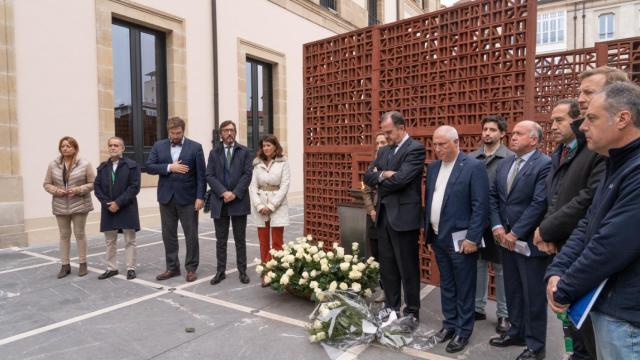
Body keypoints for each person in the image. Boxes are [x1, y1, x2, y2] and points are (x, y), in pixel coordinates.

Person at [539, 66, 628, 360]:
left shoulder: (614, 155)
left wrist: (564, 285)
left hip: (618, 304)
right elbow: (587, 218)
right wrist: (557, 269)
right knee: (580, 346)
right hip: (577, 270)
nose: (580, 102)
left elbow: (610, 238)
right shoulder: (597, 151)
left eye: (588, 93)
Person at [533, 99, 606, 360]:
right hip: (561, 242)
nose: (552, 126)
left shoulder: (596, 152)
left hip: (581, 244)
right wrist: (548, 232)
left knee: (587, 329)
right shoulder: (561, 152)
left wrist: (548, 229)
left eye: (559, 120)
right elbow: (554, 196)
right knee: (572, 324)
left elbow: (586, 199)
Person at [488, 121, 551, 360]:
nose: (512, 137)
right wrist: (497, 226)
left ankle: (536, 346)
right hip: (505, 240)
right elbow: (493, 196)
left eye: (518, 134)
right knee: (513, 289)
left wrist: (515, 233)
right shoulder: (505, 163)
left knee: (533, 294)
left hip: (528, 243)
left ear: (533, 140)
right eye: (512, 133)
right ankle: (517, 332)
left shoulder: (544, 165)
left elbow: (539, 203)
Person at [424, 125, 489, 353]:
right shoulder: (433, 168)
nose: (438, 148)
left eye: (443, 144)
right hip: (439, 237)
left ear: (456, 142)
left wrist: (472, 238)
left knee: (464, 286)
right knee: (447, 284)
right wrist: (430, 234)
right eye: (435, 144)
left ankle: (463, 330)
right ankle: (449, 324)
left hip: (462, 241)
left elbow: (480, 206)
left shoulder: (473, 166)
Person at [363, 111, 425, 322]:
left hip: (404, 219)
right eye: (384, 132)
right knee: (388, 267)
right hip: (383, 217)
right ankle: (391, 308)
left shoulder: (415, 149)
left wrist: (383, 177)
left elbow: (402, 180)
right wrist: (383, 174)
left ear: (401, 127)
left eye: (389, 132)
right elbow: (367, 177)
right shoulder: (384, 151)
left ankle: (412, 312)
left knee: (407, 268)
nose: (386, 136)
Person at [146, 117, 206, 283]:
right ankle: (172, 267)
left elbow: (202, 176)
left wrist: (200, 197)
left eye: (178, 133)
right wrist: (169, 167)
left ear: (183, 130)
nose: (175, 136)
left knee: (191, 235)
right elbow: (149, 166)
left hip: (188, 199)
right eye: (172, 133)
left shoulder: (195, 147)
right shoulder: (158, 146)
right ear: (168, 131)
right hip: (166, 198)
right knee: (168, 235)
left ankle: (191, 269)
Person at [469, 115, 514, 334]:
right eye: (485, 129)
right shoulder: (471, 158)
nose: (487, 133)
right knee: (477, 265)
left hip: (500, 222)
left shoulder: (511, 158)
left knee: (501, 269)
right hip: (475, 220)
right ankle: (477, 308)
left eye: (492, 130)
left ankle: (504, 314)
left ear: (502, 134)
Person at [207, 120, 253, 285]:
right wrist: (223, 192)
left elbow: (247, 174)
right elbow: (210, 175)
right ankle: (221, 271)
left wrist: (234, 193)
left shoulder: (244, 152)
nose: (229, 133)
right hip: (220, 201)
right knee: (221, 239)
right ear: (221, 134)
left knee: (240, 239)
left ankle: (243, 271)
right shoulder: (214, 153)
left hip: (238, 200)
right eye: (226, 130)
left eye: (232, 130)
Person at [43, 136, 95, 278]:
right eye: (62, 146)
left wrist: (78, 190)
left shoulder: (84, 164)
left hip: (79, 204)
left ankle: (83, 263)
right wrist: (56, 191)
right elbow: (47, 183)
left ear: (75, 148)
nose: (65, 148)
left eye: (68, 146)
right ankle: (65, 265)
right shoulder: (53, 164)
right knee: (64, 235)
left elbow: (93, 183)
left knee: (79, 234)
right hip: (60, 205)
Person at [94, 137, 141, 280]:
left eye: (116, 145)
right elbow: (97, 187)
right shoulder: (102, 167)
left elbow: (134, 187)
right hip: (108, 208)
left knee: (129, 240)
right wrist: (108, 203)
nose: (113, 148)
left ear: (122, 148)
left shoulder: (132, 165)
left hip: (127, 207)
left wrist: (118, 203)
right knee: (110, 241)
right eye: (110, 145)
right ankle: (111, 268)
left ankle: (131, 268)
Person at [249, 134, 290, 271]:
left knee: (278, 241)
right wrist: (259, 205)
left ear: (275, 146)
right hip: (260, 206)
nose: (266, 148)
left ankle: (278, 271)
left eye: (268, 145)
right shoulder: (257, 164)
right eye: (264, 145)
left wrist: (272, 206)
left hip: (277, 206)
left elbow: (285, 186)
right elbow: (253, 186)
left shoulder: (283, 163)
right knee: (263, 241)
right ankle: (267, 271)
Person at [362, 132, 388, 302]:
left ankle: (391, 289)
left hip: (387, 216)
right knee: (377, 254)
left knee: (388, 255)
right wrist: (371, 210)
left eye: (383, 142)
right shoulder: (372, 166)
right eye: (377, 142)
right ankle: (382, 287)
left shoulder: (393, 164)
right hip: (372, 217)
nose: (379, 145)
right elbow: (365, 190)